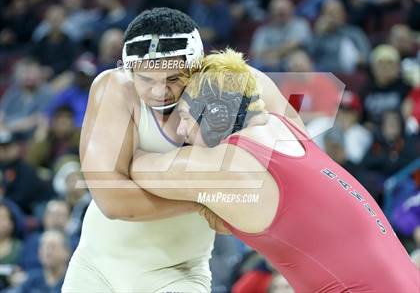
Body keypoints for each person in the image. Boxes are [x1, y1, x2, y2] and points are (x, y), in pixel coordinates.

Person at [130, 49, 420, 292]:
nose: (180, 130)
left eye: (183, 117)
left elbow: (138, 167)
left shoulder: (232, 166)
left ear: (215, 115)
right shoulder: (287, 127)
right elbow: (250, 77)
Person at [63, 7, 303, 292]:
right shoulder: (114, 87)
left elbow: (298, 156)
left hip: (178, 273)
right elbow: (112, 200)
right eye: (146, 79)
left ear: (198, 66)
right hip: (96, 267)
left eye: (174, 78)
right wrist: (205, 201)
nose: (158, 91)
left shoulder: (238, 85)